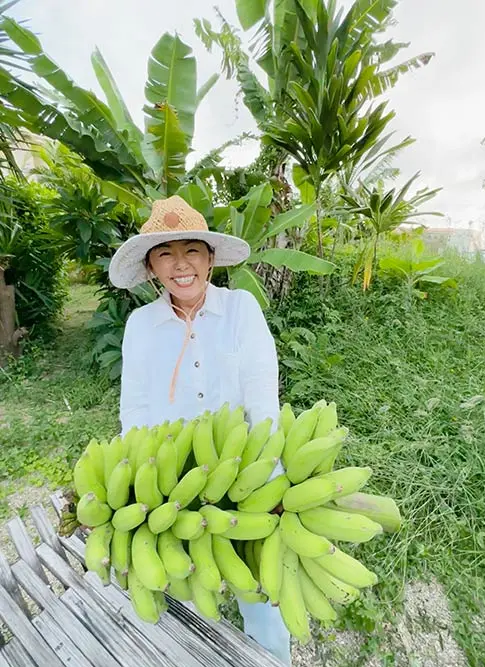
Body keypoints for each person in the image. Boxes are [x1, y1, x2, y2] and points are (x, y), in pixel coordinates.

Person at [108, 195, 291, 665]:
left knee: (263, 595)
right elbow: (137, 408)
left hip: (247, 470)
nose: (181, 264)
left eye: (192, 249)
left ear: (211, 259)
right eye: (165, 252)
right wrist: (143, 483)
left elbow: (260, 393)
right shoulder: (140, 325)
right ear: (151, 266)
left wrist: (269, 475)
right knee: (186, 589)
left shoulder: (241, 309)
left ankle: (271, 657)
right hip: (173, 478)